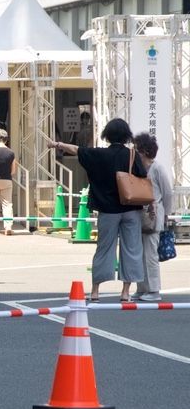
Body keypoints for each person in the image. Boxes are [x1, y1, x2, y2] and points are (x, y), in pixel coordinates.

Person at [49, 118, 146, 302]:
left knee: (104, 248)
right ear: (126, 135)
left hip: (107, 210)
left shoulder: (98, 155)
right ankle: (125, 292)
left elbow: (77, 150)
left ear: (107, 135)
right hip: (131, 209)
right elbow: (143, 176)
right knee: (131, 249)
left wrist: (58, 144)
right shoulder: (132, 155)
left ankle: (95, 291)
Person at [132, 132, 174, 302]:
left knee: (150, 255)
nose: (135, 152)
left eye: (137, 149)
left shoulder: (157, 168)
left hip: (153, 215)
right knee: (140, 254)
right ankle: (142, 288)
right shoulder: (139, 169)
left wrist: (166, 215)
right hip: (140, 214)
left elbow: (168, 193)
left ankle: (154, 290)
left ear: (144, 151)